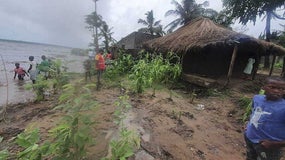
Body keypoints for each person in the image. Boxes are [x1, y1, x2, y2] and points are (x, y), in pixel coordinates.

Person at [244, 76, 285, 160]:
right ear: (263, 87)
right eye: (272, 87)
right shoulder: (257, 98)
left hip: (269, 147)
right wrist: (248, 124)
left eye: (282, 89)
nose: (276, 91)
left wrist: (275, 144)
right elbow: (253, 111)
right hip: (250, 139)